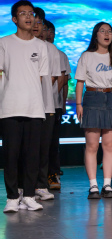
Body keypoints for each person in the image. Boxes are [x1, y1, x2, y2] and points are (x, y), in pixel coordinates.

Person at [0, 0, 48, 212]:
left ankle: (28, 195)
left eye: (31, 13)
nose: (29, 17)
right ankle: (12, 197)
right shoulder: (4, 43)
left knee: (32, 156)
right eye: (23, 13)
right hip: (10, 107)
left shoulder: (41, 46)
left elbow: (41, 78)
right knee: (11, 155)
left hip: (34, 108)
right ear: (14, 19)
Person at [75, 22, 112, 199]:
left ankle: (107, 184)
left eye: (109, 31)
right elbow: (80, 81)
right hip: (92, 97)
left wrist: (109, 91)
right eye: (102, 31)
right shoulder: (87, 56)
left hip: (111, 98)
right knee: (92, 145)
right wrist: (79, 104)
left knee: (110, 145)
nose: (106, 34)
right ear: (96, 35)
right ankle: (93, 185)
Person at [32, 10, 61, 202]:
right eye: (33, 21)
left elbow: (53, 78)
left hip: (46, 106)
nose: (36, 25)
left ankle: (41, 185)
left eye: (40, 22)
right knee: (25, 149)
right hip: (25, 106)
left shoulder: (51, 49)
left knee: (44, 149)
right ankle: (23, 187)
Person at [46, 21, 70, 190]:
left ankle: (53, 173)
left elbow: (64, 80)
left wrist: (61, 101)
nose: (49, 34)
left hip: (54, 104)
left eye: (51, 31)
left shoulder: (60, 54)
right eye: (46, 30)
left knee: (53, 142)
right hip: (35, 105)